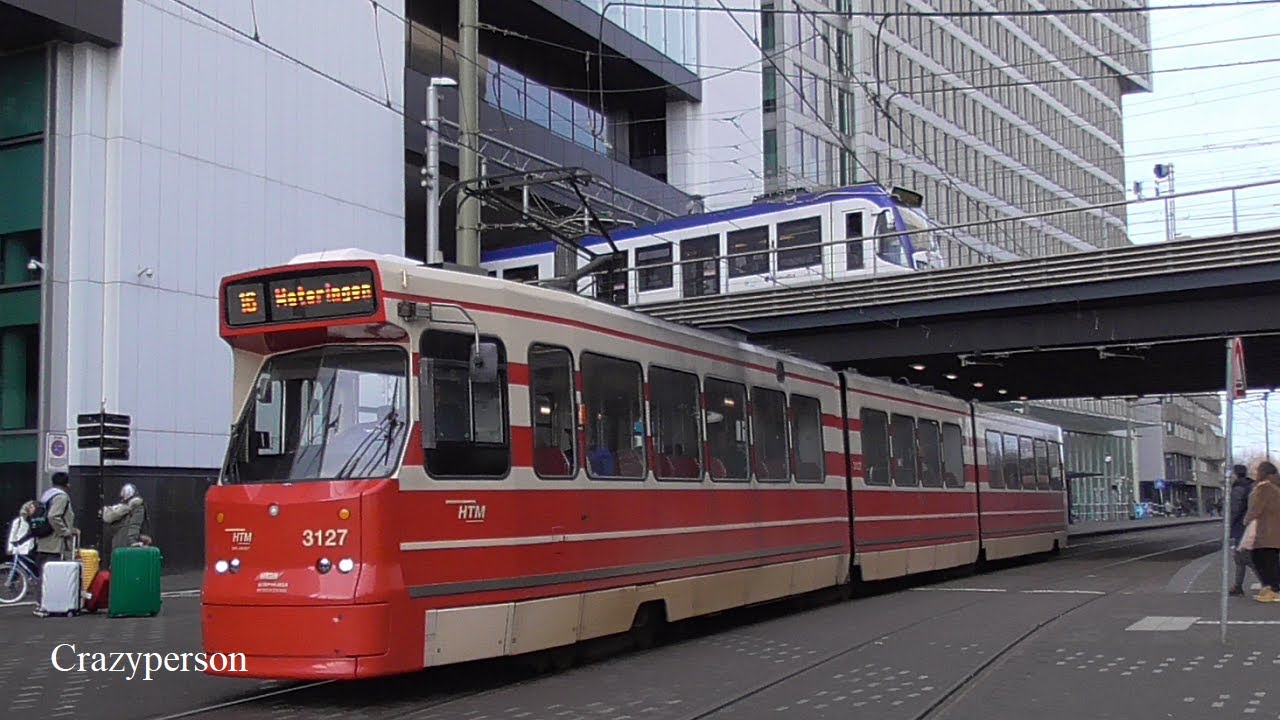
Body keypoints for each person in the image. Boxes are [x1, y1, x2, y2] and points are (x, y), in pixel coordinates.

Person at [33, 472, 78, 617]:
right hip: (55, 542)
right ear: (67, 484)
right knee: (53, 573)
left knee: (44, 572)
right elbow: (54, 516)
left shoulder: (47, 495)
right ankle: (49, 605)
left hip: (43, 539)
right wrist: (65, 531)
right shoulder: (61, 497)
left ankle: (41, 603)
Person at [1229, 464, 1256, 596]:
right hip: (1250, 525)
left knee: (1246, 557)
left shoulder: (1238, 488)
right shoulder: (1251, 485)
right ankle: (1237, 586)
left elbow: (1234, 510)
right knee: (1240, 557)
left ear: (1235, 474)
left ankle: (1270, 584)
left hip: (1242, 526)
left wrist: (1228, 527)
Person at [101, 483, 146, 553]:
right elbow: (135, 525)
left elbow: (134, 525)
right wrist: (132, 541)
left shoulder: (123, 508)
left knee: (119, 560)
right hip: (124, 543)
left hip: (120, 542)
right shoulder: (135, 506)